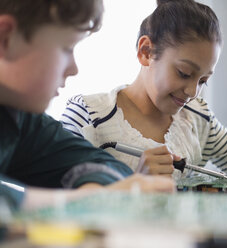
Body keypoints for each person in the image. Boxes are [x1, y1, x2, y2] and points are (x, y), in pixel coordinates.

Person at [61, 0, 227, 180]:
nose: (193, 91)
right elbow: (60, 196)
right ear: (146, 52)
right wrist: (134, 184)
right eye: (184, 73)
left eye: (204, 81)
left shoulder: (197, 119)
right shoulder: (88, 117)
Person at [0, 0, 174, 212]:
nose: (74, 69)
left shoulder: (17, 116)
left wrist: (100, 192)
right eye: (67, 48)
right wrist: (92, 199)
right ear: (5, 38)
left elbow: (104, 165)